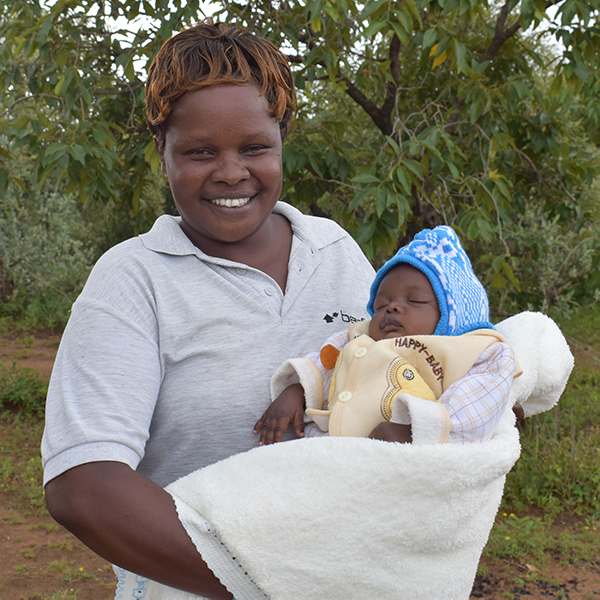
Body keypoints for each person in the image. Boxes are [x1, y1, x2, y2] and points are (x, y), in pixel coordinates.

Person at [41, 21, 375, 598]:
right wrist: (267, 583)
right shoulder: (135, 279)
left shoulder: (335, 251)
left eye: (254, 148)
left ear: (282, 138)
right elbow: (84, 485)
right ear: (162, 152)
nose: (230, 172)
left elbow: (394, 366)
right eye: (199, 152)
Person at [254, 226, 519, 446]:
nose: (392, 307)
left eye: (414, 300)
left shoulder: (474, 351)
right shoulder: (359, 340)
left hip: (406, 465)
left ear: (453, 315)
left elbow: (477, 407)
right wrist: (297, 391)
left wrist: (414, 433)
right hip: (330, 453)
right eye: (381, 304)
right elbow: (327, 370)